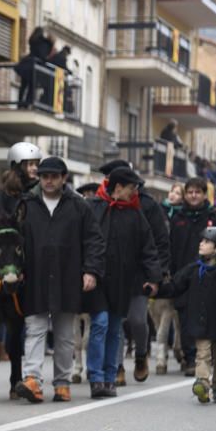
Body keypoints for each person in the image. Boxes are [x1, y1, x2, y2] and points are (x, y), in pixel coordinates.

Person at [14, 157, 105, 403]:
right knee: (35, 329)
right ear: (39, 178)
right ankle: (32, 379)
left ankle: (62, 382)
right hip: (35, 277)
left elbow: (94, 241)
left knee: (65, 335)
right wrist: (17, 268)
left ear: (64, 178)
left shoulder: (79, 205)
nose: (49, 181)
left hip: (68, 277)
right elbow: (16, 240)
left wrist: (91, 271)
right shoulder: (27, 203)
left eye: (54, 176)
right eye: (44, 176)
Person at [83, 167, 162, 398]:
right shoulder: (93, 208)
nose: (134, 192)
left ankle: (110, 378)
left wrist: (154, 277)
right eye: (131, 188)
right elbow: (83, 241)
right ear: (118, 188)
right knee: (100, 324)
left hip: (122, 281)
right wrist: (85, 271)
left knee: (115, 329)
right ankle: (96, 378)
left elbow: (148, 248)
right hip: (97, 279)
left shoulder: (136, 214)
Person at [97, 159, 170, 383]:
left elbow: (157, 242)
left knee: (138, 320)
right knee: (115, 322)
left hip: (138, 274)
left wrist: (157, 274)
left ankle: (141, 355)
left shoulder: (145, 206)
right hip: (110, 275)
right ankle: (117, 366)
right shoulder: (99, 206)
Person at [160, 227, 216, 404]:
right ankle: (202, 384)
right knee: (202, 354)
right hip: (202, 321)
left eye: (206, 242)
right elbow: (176, 285)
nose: (201, 244)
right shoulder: (194, 269)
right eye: (201, 240)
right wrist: (157, 289)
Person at [167, 177, 216, 376]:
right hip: (184, 276)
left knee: (208, 316)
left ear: (204, 194)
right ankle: (190, 358)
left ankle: (205, 357)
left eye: (197, 192)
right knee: (185, 318)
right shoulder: (177, 218)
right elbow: (170, 248)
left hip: (211, 275)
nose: (193, 196)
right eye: (190, 192)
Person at [0, 141, 41, 222]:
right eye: (30, 164)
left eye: (37, 165)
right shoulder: (0, 196)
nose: (35, 168)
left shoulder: (39, 188)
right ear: (18, 166)